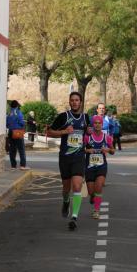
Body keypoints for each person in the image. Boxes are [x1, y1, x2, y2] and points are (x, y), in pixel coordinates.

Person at [47, 92, 91, 230]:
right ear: (69, 102)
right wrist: (64, 132)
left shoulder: (86, 118)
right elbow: (49, 132)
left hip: (79, 157)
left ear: (81, 102)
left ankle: (74, 217)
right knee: (66, 188)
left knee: (77, 186)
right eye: (72, 100)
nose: (74, 102)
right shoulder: (63, 116)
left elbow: (89, 134)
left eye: (77, 100)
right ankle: (66, 201)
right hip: (65, 157)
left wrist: (89, 132)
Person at [84, 115, 115, 219]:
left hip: (102, 166)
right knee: (91, 191)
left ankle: (96, 210)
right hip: (89, 166)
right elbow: (80, 149)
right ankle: (92, 196)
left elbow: (113, 151)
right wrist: (87, 150)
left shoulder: (107, 137)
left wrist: (108, 150)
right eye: (95, 123)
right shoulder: (87, 137)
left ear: (102, 124)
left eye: (99, 123)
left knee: (99, 187)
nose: (97, 125)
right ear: (93, 125)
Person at [6, 100, 29, 170]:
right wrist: (22, 126)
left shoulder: (9, 113)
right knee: (21, 149)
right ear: (17, 106)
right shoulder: (18, 112)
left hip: (10, 131)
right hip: (18, 132)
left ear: (11, 106)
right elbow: (21, 122)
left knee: (12, 150)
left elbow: (6, 124)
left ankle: (13, 166)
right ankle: (22, 165)